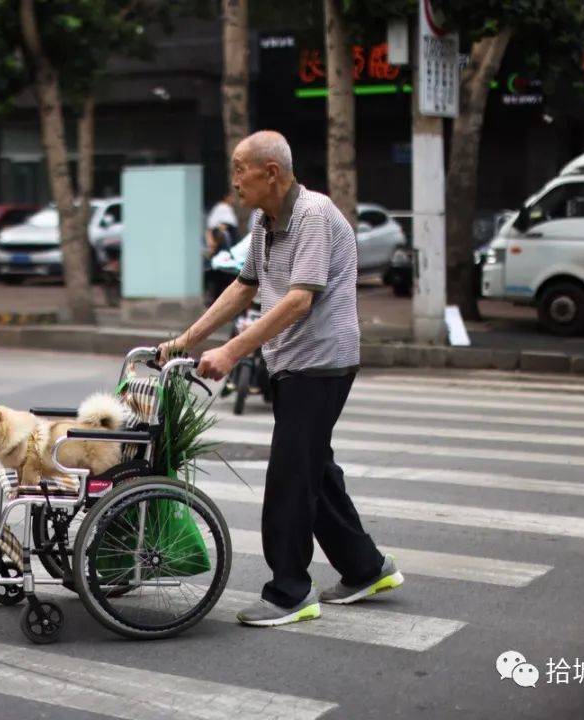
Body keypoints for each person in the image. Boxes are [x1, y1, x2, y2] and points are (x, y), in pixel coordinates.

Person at [158, 130, 403, 627]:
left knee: (291, 477)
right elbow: (245, 287)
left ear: (271, 171)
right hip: (291, 362)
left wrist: (229, 352)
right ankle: (365, 567)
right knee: (315, 469)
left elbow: (298, 299)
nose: (234, 180)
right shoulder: (264, 221)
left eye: (239, 168)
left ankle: (290, 590)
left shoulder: (314, 215)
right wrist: (188, 338)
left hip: (321, 362)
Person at [204, 190, 238, 258]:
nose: (234, 200)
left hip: (219, 240)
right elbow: (222, 227)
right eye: (232, 197)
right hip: (222, 243)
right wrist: (215, 244)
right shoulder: (223, 207)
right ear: (226, 197)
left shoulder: (221, 207)